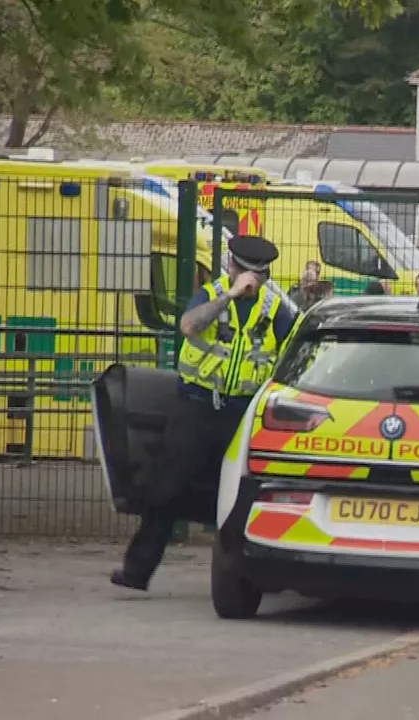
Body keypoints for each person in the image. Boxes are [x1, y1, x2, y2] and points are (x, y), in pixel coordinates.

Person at [110, 235, 298, 591]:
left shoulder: (276, 309)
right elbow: (189, 326)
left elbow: (291, 356)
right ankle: (137, 572)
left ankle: (249, 578)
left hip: (241, 414)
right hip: (195, 407)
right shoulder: (213, 295)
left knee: (241, 498)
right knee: (165, 491)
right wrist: (229, 295)